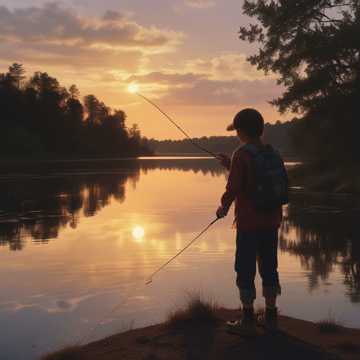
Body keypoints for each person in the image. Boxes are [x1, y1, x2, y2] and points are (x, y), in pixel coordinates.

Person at [216, 108, 288, 336]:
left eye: (237, 130)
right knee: (269, 266)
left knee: (244, 268)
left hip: (248, 223)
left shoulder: (241, 154)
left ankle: (247, 319)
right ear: (261, 129)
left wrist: (223, 207)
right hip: (272, 221)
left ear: (241, 131)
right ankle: (271, 316)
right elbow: (254, 179)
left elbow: (234, 187)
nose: (236, 134)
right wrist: (230, 165)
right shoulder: (273, 153)